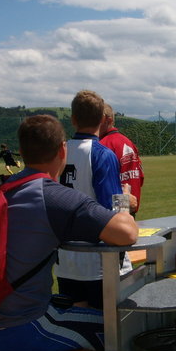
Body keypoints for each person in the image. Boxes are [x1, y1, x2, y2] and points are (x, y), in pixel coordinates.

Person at [0, 114, 138, 351]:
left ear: (22, 151)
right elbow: (127, 234)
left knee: (79, 311)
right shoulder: (55, 196)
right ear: (62, 150)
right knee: (115, 329)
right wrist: (124, 200)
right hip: (19, 330)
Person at [55, 90, 126, 310]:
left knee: (74, 323)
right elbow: (110, 209)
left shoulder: (58, 151)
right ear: (103, 119)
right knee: (103, 328)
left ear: (73, 119)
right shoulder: (101, 154)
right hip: (96, 260)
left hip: (65, 257)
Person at [100, 103, 144, 215]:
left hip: (113, 213)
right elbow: (140, 177)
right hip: (130, 210)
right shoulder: (128, 142)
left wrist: (122, 206)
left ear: (107, 120)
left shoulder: (102, 145)